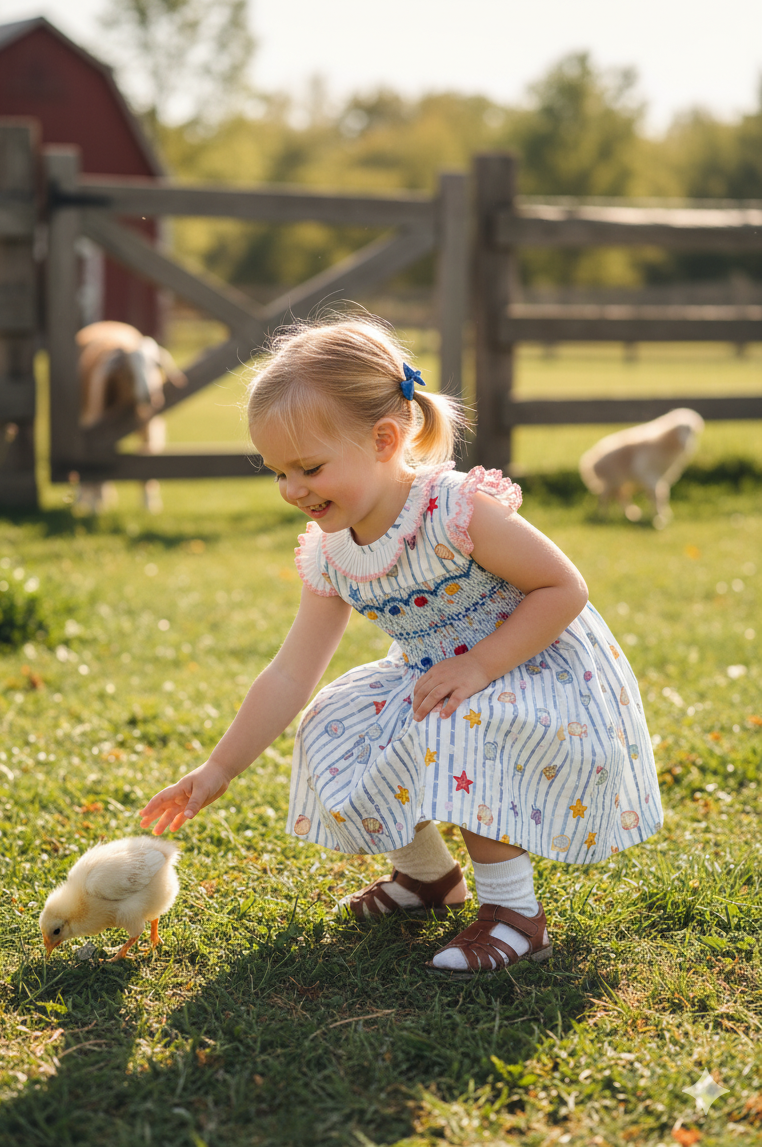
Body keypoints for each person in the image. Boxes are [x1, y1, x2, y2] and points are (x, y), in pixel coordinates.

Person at [140, 317, 663, 974]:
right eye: (278, 472)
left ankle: (515, 914)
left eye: (309, 468)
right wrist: (217, 769)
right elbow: (291, 674)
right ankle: (428, 878)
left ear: (384, 440)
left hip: (532, 667)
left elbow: (564, 588)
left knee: (460, 721)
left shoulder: (454, 511)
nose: (293, 489)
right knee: (333, 718)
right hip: (438, 675)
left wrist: (480, 665)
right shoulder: (331, 552)